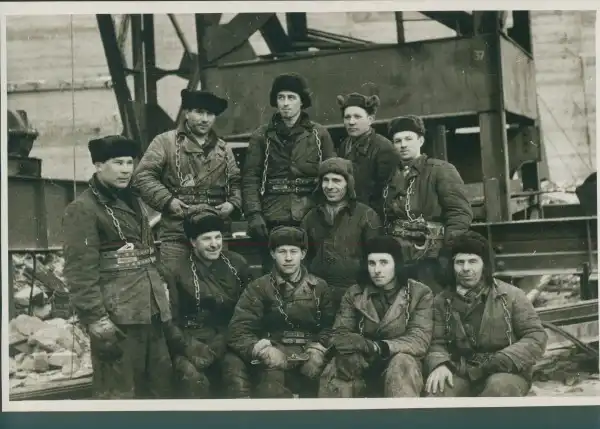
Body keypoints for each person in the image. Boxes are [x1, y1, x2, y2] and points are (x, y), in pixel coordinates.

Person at [62, 135, 173, 399]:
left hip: (151, 311)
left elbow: (149, 253)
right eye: (117, 163)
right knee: (119, 394)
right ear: (99, 166)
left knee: (159, 391)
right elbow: (80, 272)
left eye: (129, 163)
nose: (126, 169)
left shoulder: (134, 199)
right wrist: (96, 318)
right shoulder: (83, 209)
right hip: (118, 318)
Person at [424, 231, 548, 397]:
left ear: (484, 265)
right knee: (437, 393)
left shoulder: (511, 296)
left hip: (505, 371)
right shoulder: (441, 301)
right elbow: (435, 341)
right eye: (460, 262)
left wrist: (502, 359)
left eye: (473, 261)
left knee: (498, 389)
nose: (466, 268)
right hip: (461, 371)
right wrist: (440, 364)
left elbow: (536, 337)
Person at [132, 89, 241, 277]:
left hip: (213, 231)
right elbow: (142, 176)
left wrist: (233, 203)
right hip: (177, 231)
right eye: (199, 112)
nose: (204, 119)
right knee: (175, 282)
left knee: (216, 283)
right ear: (187, 113)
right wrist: (168, 201)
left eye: (210, 114)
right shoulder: (165, 142)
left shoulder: (223, 149)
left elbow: (236, 182)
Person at [242, 73, 336, 273]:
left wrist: (329, 212)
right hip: (273, 215)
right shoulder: (261, 136)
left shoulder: (319, 134)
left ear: (302, 101)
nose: (285, 103)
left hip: (311, 214)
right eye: (281, 97)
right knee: (274, 273)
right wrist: (254, 214)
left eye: (291, 97)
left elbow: (334, 174)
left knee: (313, 272)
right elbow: (251, 179)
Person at [227, 226, 336, 398]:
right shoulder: (259, 287)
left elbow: (332, 326)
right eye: (282, 251)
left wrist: (320, 348)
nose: (288, 258)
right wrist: (262, 350)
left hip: (310, 353)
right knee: (271, 388)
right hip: (274, 353)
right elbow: (239, 329)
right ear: (272, 254)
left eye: (294, 251)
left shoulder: (319, 287)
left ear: (303, 254)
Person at [319, 235, 433, 398]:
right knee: (338, 364)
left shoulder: (419, 293)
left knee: (402, 363)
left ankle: (402, 414)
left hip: (399, 361)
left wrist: (377, 347)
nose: (377, 270)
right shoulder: (355, 293)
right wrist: (350, 345)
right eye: (372, 263)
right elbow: (340, 331)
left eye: (384, 262)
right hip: (363, 360)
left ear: (396, 264)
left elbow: (419, 340)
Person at [161, 211, 251, 398]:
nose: (214, 244)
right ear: (193, 242)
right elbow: (170, 320)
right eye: (207, 238)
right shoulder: (175, 271)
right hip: (189, 341)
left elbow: (248, 313)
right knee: (192, 378)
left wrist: (223, 342)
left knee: (236, 377)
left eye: (218, 237)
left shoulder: (237, 264)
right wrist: (189, 347)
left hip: (228, 339)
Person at [379, 115, 473, 295]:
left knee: (432, 302)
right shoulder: (390, 176)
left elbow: (460, 214)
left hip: (432, 258)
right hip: (400, 257)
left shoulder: (440, 170)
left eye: (408, 139)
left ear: (420, 140)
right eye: (398, 141)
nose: (403, 145)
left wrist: (447, 252)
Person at [301, 157, 382, 310]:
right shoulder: (310, 217)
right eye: (326, 180)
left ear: (348, 183)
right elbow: (303, 258)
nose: (330, 186)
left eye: (337, 180)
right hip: (318, 293)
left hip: (355, 293)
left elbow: (375, 258)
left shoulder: (366, 215)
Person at [336, 92, 398, 209]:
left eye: (357, 117)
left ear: (370, 119)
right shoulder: (345, 145)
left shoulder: (384, 148)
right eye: (347, 117)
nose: (351, 122)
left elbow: (386, 195)